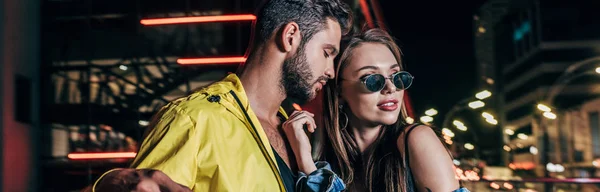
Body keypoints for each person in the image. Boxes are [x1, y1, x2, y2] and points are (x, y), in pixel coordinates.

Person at [88, 0, 352, 191]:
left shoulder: (294, 133)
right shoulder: (194, 119)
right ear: (291, 36)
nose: (330, 71)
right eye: (327, 53)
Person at [282, 28, 470, 192]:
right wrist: (307, 162)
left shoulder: (417, 140)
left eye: (397, 77)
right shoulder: (330, 161)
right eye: (372, 80)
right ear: (339, 91)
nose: (391, 88)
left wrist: (309, 170)